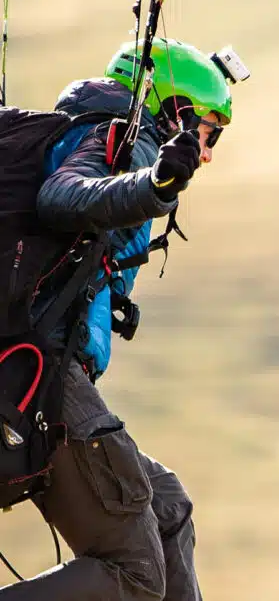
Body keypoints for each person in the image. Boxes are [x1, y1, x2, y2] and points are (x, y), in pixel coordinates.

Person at [0, 37, 240, 601]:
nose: (207, 153)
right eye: (209, 131)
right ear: (175, 110)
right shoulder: (119, 139)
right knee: (134, 572)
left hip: (46, 368)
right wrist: (152, 185)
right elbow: (64, 195)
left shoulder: (92, 134)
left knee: (169, 508)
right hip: (39, 372)